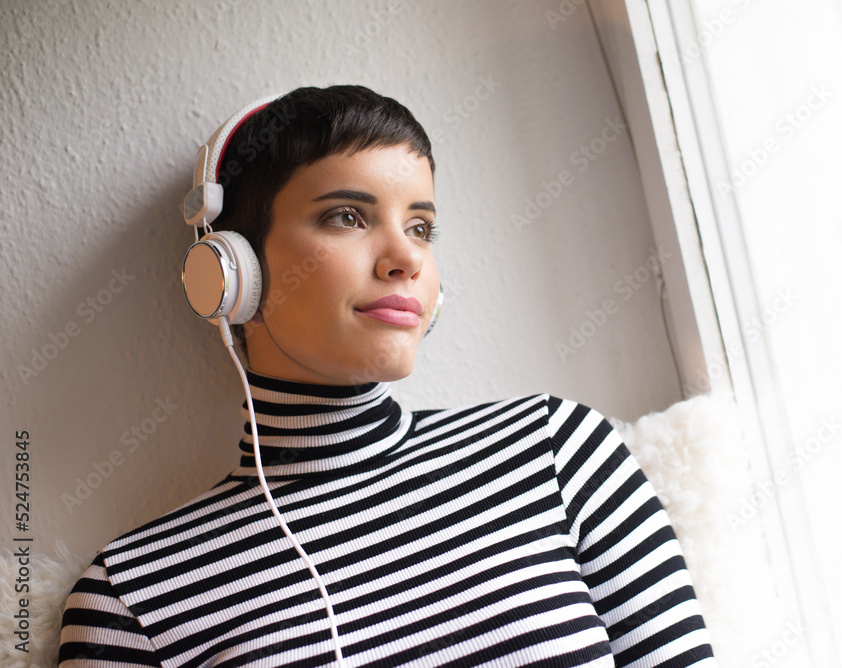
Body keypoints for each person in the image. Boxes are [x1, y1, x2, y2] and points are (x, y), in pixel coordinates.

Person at [59, 85, 716, 667]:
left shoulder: (555, 448)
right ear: (232, 273)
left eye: (421, 226)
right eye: (347, 216)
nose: (407, 257)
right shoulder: (130, 599)